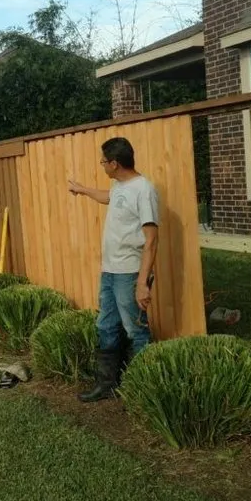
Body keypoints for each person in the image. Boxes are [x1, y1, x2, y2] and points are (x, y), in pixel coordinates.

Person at [68, 137, 160, 403]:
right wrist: (82, 190)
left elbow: (151, 240)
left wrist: (142, 282)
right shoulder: (120, 186)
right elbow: (108, 197)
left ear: (115, 163)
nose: (102, 166)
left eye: (103, 162)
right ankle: (107, 385)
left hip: (129, 273)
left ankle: (141, 390)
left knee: (135, 330)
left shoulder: (144, 190)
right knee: (106, 325)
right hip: (110, 271)